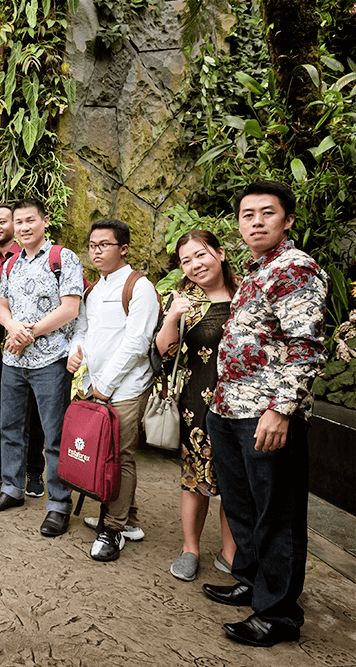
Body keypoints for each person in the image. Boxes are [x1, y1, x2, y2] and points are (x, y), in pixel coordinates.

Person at [202, 180, 328, 648]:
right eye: (247, 215)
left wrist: (281, 410)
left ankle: (278, 614)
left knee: (277, 513)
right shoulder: (257, 270)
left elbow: (305, 346)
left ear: (287, 220)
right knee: (243, 505)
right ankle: (253, 582)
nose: (255, 222)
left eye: (267, 213)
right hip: (229, 408)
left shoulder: (295, 268)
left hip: (266, 414)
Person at [0, 199, 83, 538]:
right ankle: (12, 489)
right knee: (10, 427)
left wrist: (30, 333)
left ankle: (58, 504)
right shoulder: (11, 263)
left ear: (45, 221)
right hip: (13, 360)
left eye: (30, 220)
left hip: (50, 360)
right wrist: (13, 328)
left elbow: (70, 308)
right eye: (19, 222)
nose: (24, 227)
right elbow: (2, 307)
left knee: (54, 435)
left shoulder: (62, 258)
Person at [68, 218, 159, 561]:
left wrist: (105, 385)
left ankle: (113, 529)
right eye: (92, 245)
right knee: (103, 452)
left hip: (126, 388)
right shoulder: (94, 290)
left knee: (120, 456)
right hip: (95, 385)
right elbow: (82, 330)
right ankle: (126, 519)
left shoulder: (139, 286)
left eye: (104, 245)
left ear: (123, 248)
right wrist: (76, 353)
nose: (96, 251)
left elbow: (137, 341)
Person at [155, 230, 239, 582]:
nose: (194, 265)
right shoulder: (183, 301)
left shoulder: (247, 295)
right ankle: (190, 548)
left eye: (200, 255)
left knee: (237, 482)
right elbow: (164, 351)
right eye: (186, 261)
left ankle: (231, 552)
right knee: (196, 478)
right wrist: (172, 317)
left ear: (220, 253)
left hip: (242, 405)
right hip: (198, 403)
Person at [0, 203, 46, 494]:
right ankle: (3, 464)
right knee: (2, 409)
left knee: (34, 412)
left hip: (34, 342)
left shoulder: (33, 256)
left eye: (2, 221)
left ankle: (34, 470)